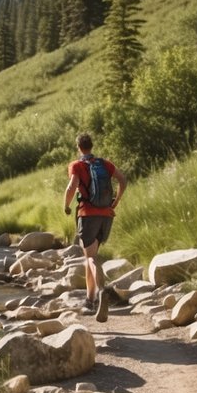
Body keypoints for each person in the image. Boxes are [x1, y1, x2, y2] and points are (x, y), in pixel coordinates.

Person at [63, 133, 127, 321]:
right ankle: (89, 300)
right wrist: (115, 202)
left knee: (90, 258)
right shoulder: (105, 164)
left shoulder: (77, 165)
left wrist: (66, 206)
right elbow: (123, 180)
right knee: (91, 256)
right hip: (105, 215)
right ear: (92, 146)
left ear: (78, 147)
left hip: (87, 215)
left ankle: (100, 291)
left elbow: (71, 187)